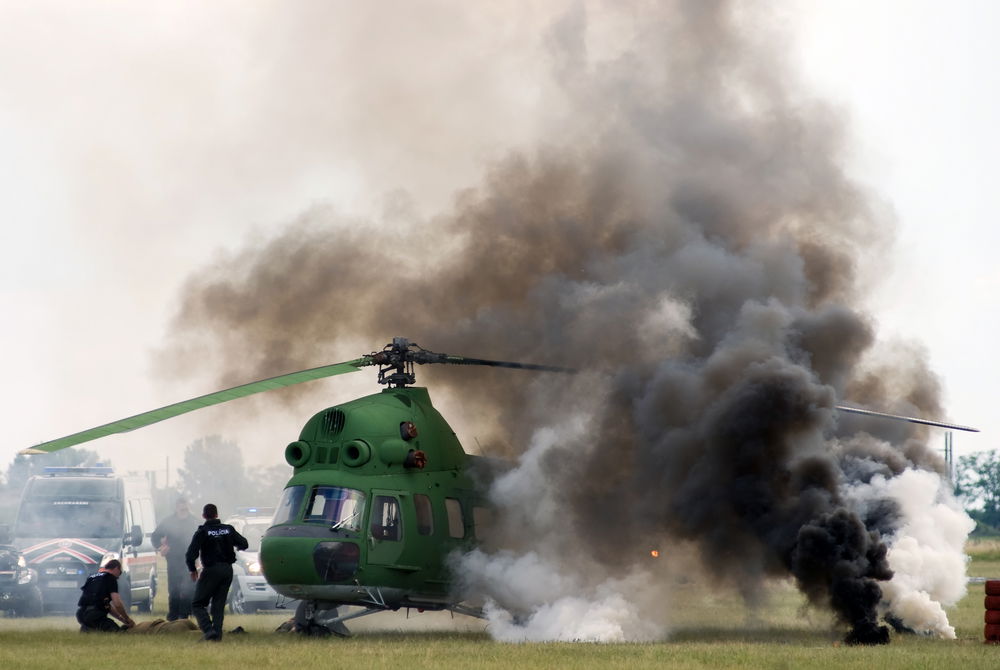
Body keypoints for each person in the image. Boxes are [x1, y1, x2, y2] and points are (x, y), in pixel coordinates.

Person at [185, 503, 248, 642]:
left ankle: (208, 630)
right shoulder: (228, 529)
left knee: (198, 603)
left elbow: (190, 554)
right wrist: (233, 545)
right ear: (217, 514)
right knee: (218, 604)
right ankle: (217, 635)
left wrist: (192, 569)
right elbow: (244, 543)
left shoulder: (202, 532)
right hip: (227, 570)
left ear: (203, 516)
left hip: (211, 570)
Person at [151, 497, 200, 620]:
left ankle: (184, 615)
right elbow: (155, 536)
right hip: (173, 560)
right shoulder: (169, 521)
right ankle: (173, 615)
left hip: (190, 561)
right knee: (173, 588)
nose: (183, 508)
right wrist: (160, 546)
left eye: (185, 505)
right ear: (176, 507)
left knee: (188, 588)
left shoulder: (195, 522)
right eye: (180, 505)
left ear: (188, 506)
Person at [76, 559, 135, 632]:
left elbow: (106, 605)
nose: (118, 577)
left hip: (82, 615)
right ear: (116, 568)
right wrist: (127, 618)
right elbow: (117, 604)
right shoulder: (110, 578)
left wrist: (121, 618)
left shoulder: (92, 577)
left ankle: (88, 629)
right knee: (119, 634)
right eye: (120, 573)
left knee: (92, 632)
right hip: (95, 616)